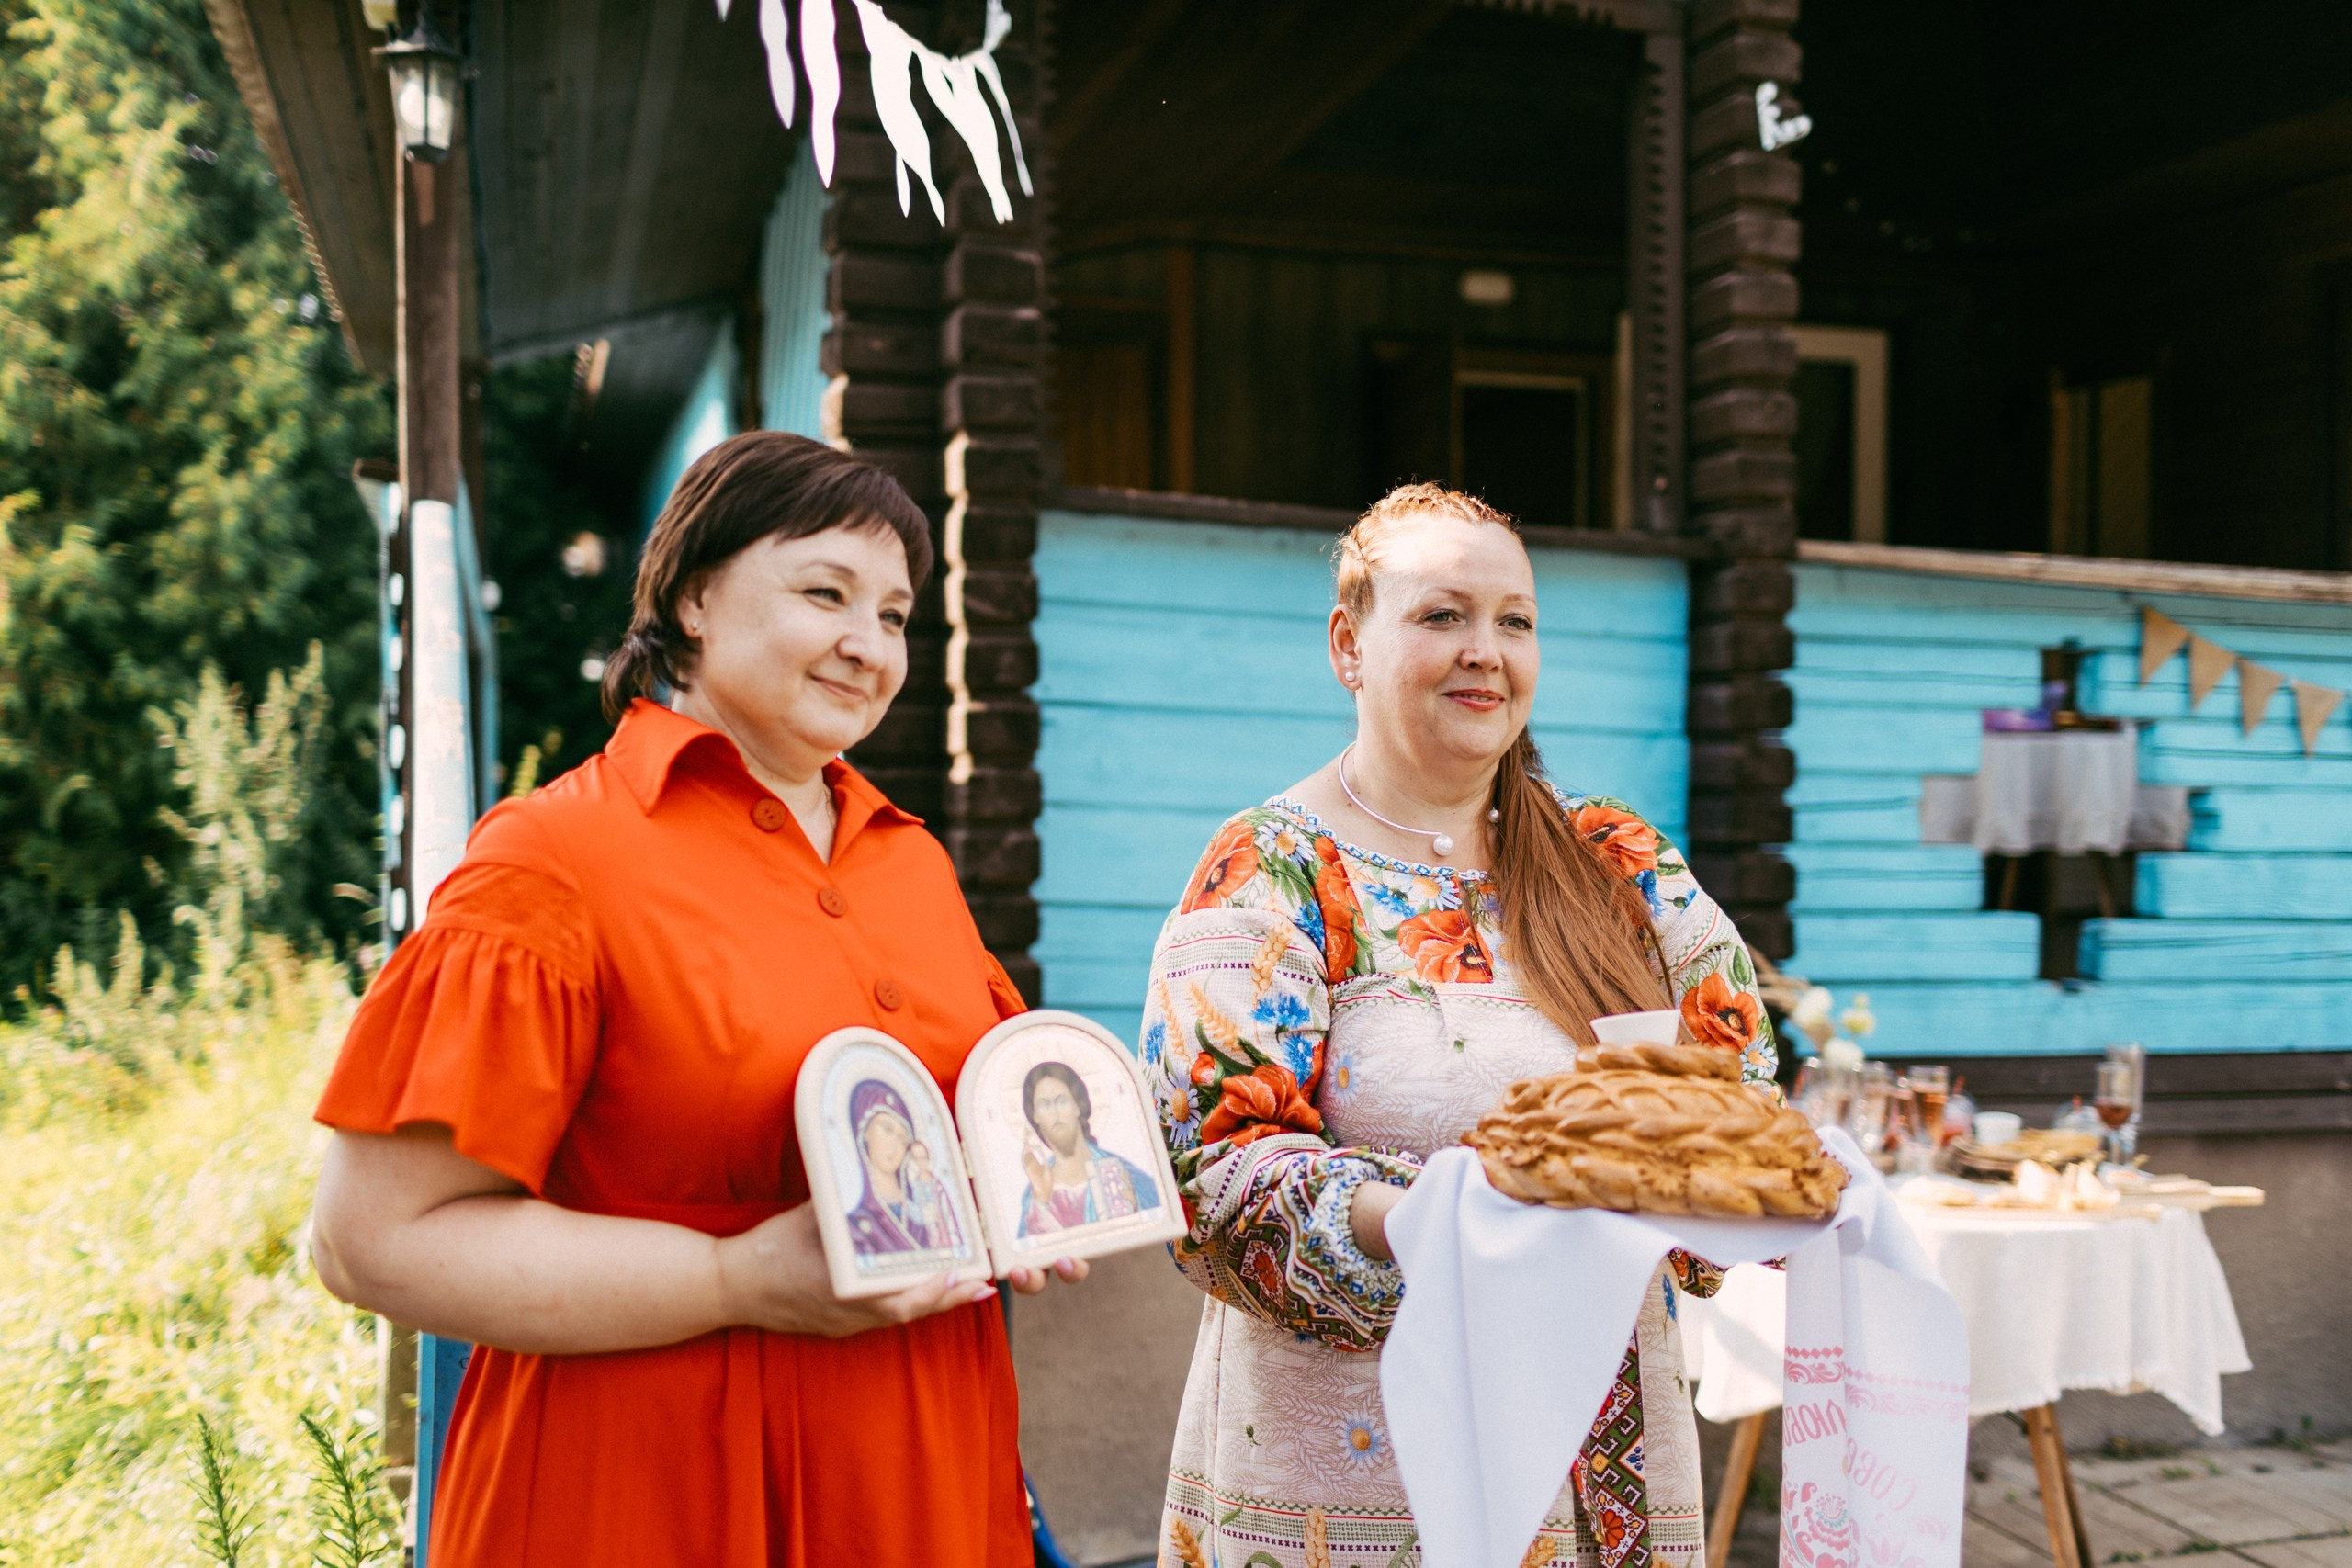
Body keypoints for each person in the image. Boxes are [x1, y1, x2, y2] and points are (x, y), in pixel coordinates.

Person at [306, 432, 1085, 1568]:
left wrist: (1024, 1199)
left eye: (895, 615)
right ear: (691, 598)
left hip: (919, 1486)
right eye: (826, 592)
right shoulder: (552, 858)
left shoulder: (909, 863)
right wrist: (732, 1280)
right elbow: (369, 1242)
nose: (866, 646)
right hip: (640, 1493)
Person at [1143, 483, 1777, 1568]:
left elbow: (1740, 1090)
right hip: (1352, 1478)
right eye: (1442, 616)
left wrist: (1750, 1194)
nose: (1485, 651)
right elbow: (1211, 1180)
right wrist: (1451, 1217)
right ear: (1349, 644)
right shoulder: (1272, 869)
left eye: (1514, 621)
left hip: (1601, 1463)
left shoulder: (1615, 858)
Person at [1015, 1061, 1160, 1236]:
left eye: (1062, 1101)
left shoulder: (1118, 1171)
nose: (1055, 1112)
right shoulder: (1036, 1192)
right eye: (1044, 1104)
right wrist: (1042, 1203)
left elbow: (1161, 1224)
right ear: (1035, 1115)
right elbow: (1030, 1251)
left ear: (1077, 1105)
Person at [846, 1079, 965, 1256]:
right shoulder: (858, 1221)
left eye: (903, 1138)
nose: (895, 1144)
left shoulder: (923, 1204)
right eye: (887, 1129)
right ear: (864, 1130)